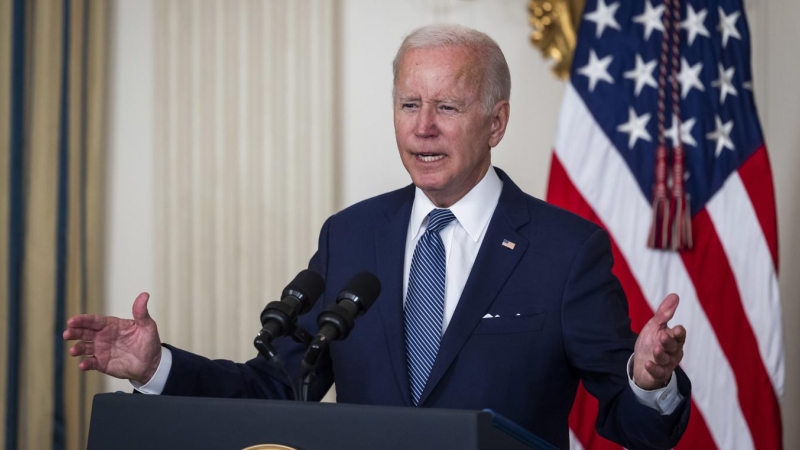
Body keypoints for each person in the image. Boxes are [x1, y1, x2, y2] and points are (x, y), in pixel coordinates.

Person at [64, 24, 690, 449]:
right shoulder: (351, 235)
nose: (422, 129)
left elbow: (638, 427)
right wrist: (156, 367)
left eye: (447, 107)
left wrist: (649, 381)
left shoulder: (565, 250)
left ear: (496, 122)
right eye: (407, 104)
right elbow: (282, 385)